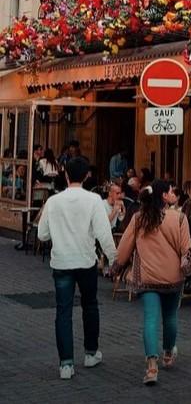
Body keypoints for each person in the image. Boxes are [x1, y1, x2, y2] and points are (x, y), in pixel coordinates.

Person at [37, 156, 117, 380]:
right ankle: (91, 353)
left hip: (62, 261)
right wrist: (114, 259)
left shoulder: (53, 201)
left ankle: (66, 363)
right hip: (85, 260)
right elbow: (103, 234)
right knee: (90, 306)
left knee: (63, 311)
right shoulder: (93, 200)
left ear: (65, 174)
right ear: (86, 176)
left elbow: (42, 234)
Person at [113, 181, 191, 385]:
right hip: (173, 277)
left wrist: (116, 267)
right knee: (170, 316)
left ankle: (151, 367)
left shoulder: (139, 218)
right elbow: (186, 250)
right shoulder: (180, 219)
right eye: (171, 191)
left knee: (150, 319)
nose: (173, 194)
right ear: (164, 196)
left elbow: (124, 248)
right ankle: (167, 353)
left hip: (146, 277)